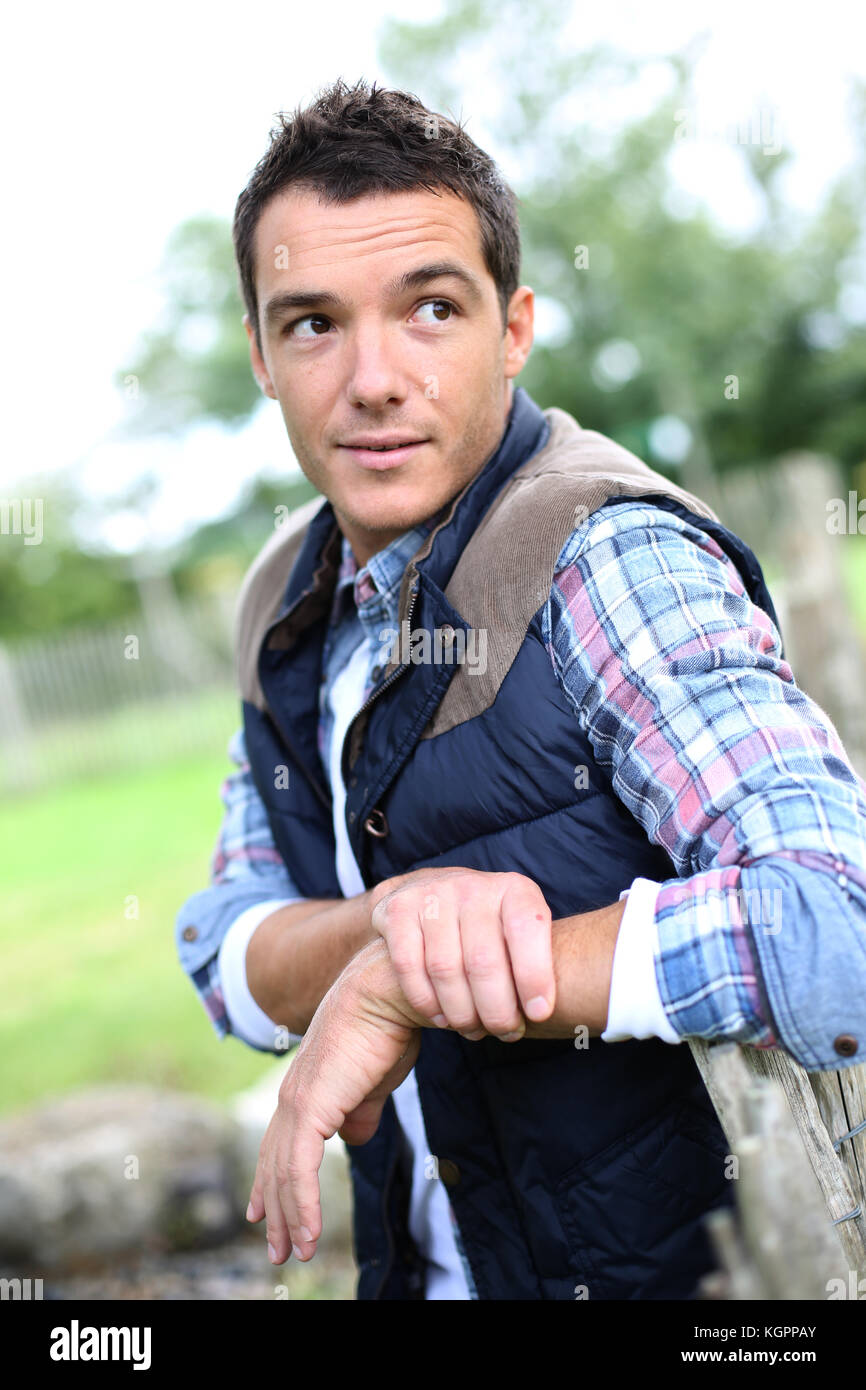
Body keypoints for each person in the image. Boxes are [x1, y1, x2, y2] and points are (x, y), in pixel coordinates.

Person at [175, 77, 866, 1300]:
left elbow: (837, 934)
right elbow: (226, 942)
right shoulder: (287, 598)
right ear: (261, 357)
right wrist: (389, 926)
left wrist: (419, 982)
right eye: (314, 324)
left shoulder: (606, 557)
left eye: (429, 308)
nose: (373, 378)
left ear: (513, 328)